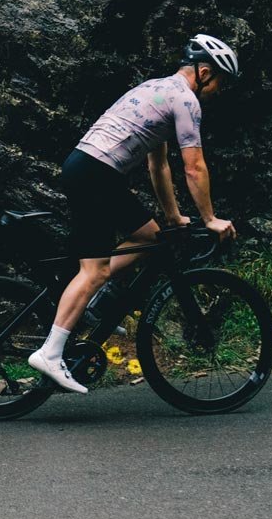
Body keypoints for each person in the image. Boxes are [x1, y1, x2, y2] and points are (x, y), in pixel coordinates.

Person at [28, 34, 239, 394]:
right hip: (97, 175)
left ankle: (90, 302)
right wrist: (210, 219)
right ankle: (51, 352)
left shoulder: (156, 89)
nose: (220, 90)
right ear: (204, 72)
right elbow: (194, 167)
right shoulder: (186, 101)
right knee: (92, 271)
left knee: (148, 237)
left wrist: (172, 218)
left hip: (87, 168)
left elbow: (158, 166)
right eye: (220, 81)